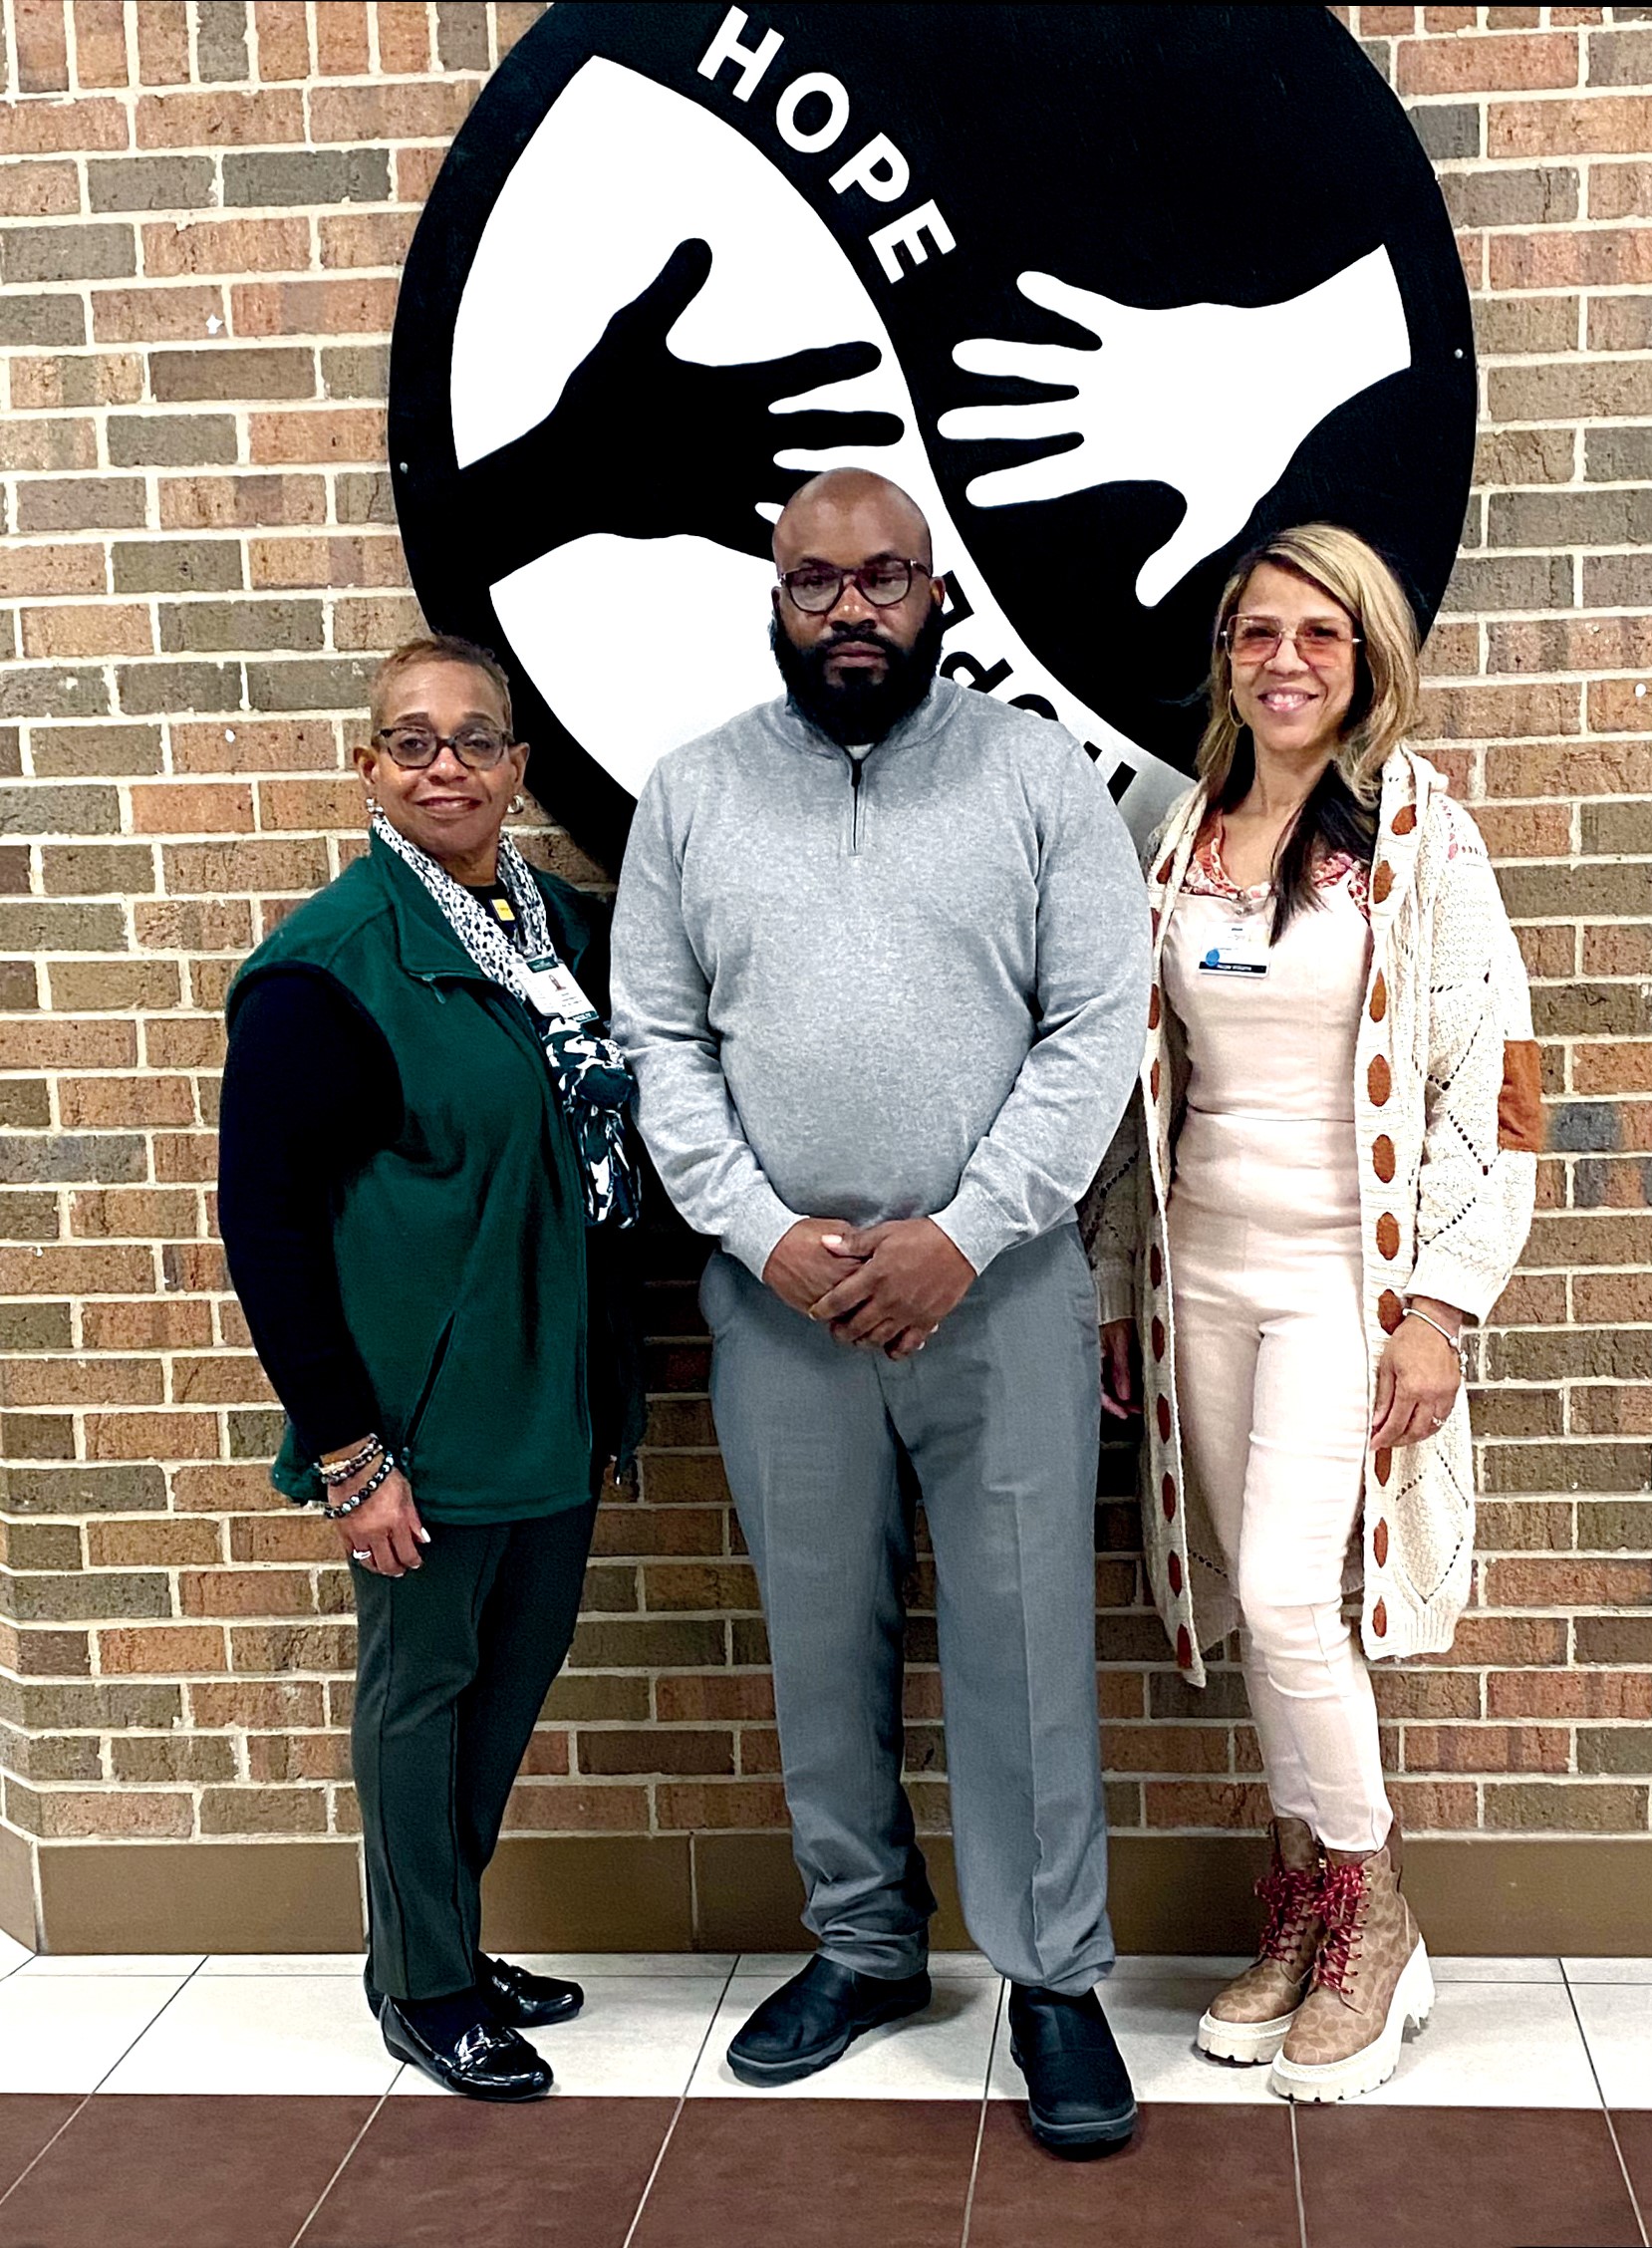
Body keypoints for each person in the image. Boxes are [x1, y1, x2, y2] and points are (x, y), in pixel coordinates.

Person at [611, 468, 1150, 2151]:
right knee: (814, 1647)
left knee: (1023, 1650)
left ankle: (1051, 1985)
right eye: (815, 583)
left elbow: (1095, 1026)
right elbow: (658, 1043)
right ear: (773, 599)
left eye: (885, 579)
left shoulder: (1035, 777)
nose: (851, 608)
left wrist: (967, 1233)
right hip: (777, 1308)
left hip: (996, 1299)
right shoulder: (693, 795)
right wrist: (766, 1235)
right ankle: (861, 1947)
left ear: (936, 597)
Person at [1086, 524, 1540, 2104]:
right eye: (1256, 632)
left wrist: (1444, 1312)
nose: (1283, 661)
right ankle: (1299, 1901)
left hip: (1345, 1284)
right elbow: (1144, 1100)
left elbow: (1489, 1086)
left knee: (1290, 1600)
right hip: (1197, 1274)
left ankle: (1375, 1917)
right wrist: (1111, 1295)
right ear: (1226, 656)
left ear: (1366, 661)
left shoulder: (1422, 835)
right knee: (1236, 1599)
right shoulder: (1181, 835)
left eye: (1319, 637)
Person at [217, 635, 645, 2102]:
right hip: (421, 1423)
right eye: (410, 740)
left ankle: (438, 1938)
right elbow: (264, 1227)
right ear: (368, 770)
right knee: (420, 1697)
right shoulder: (330, 971)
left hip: (553, 1402)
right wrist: (348, 1451)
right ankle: (424, 1986)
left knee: (505, 1688)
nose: (443, 763)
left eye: (473, 739)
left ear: (518, 768)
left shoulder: (559, 939)